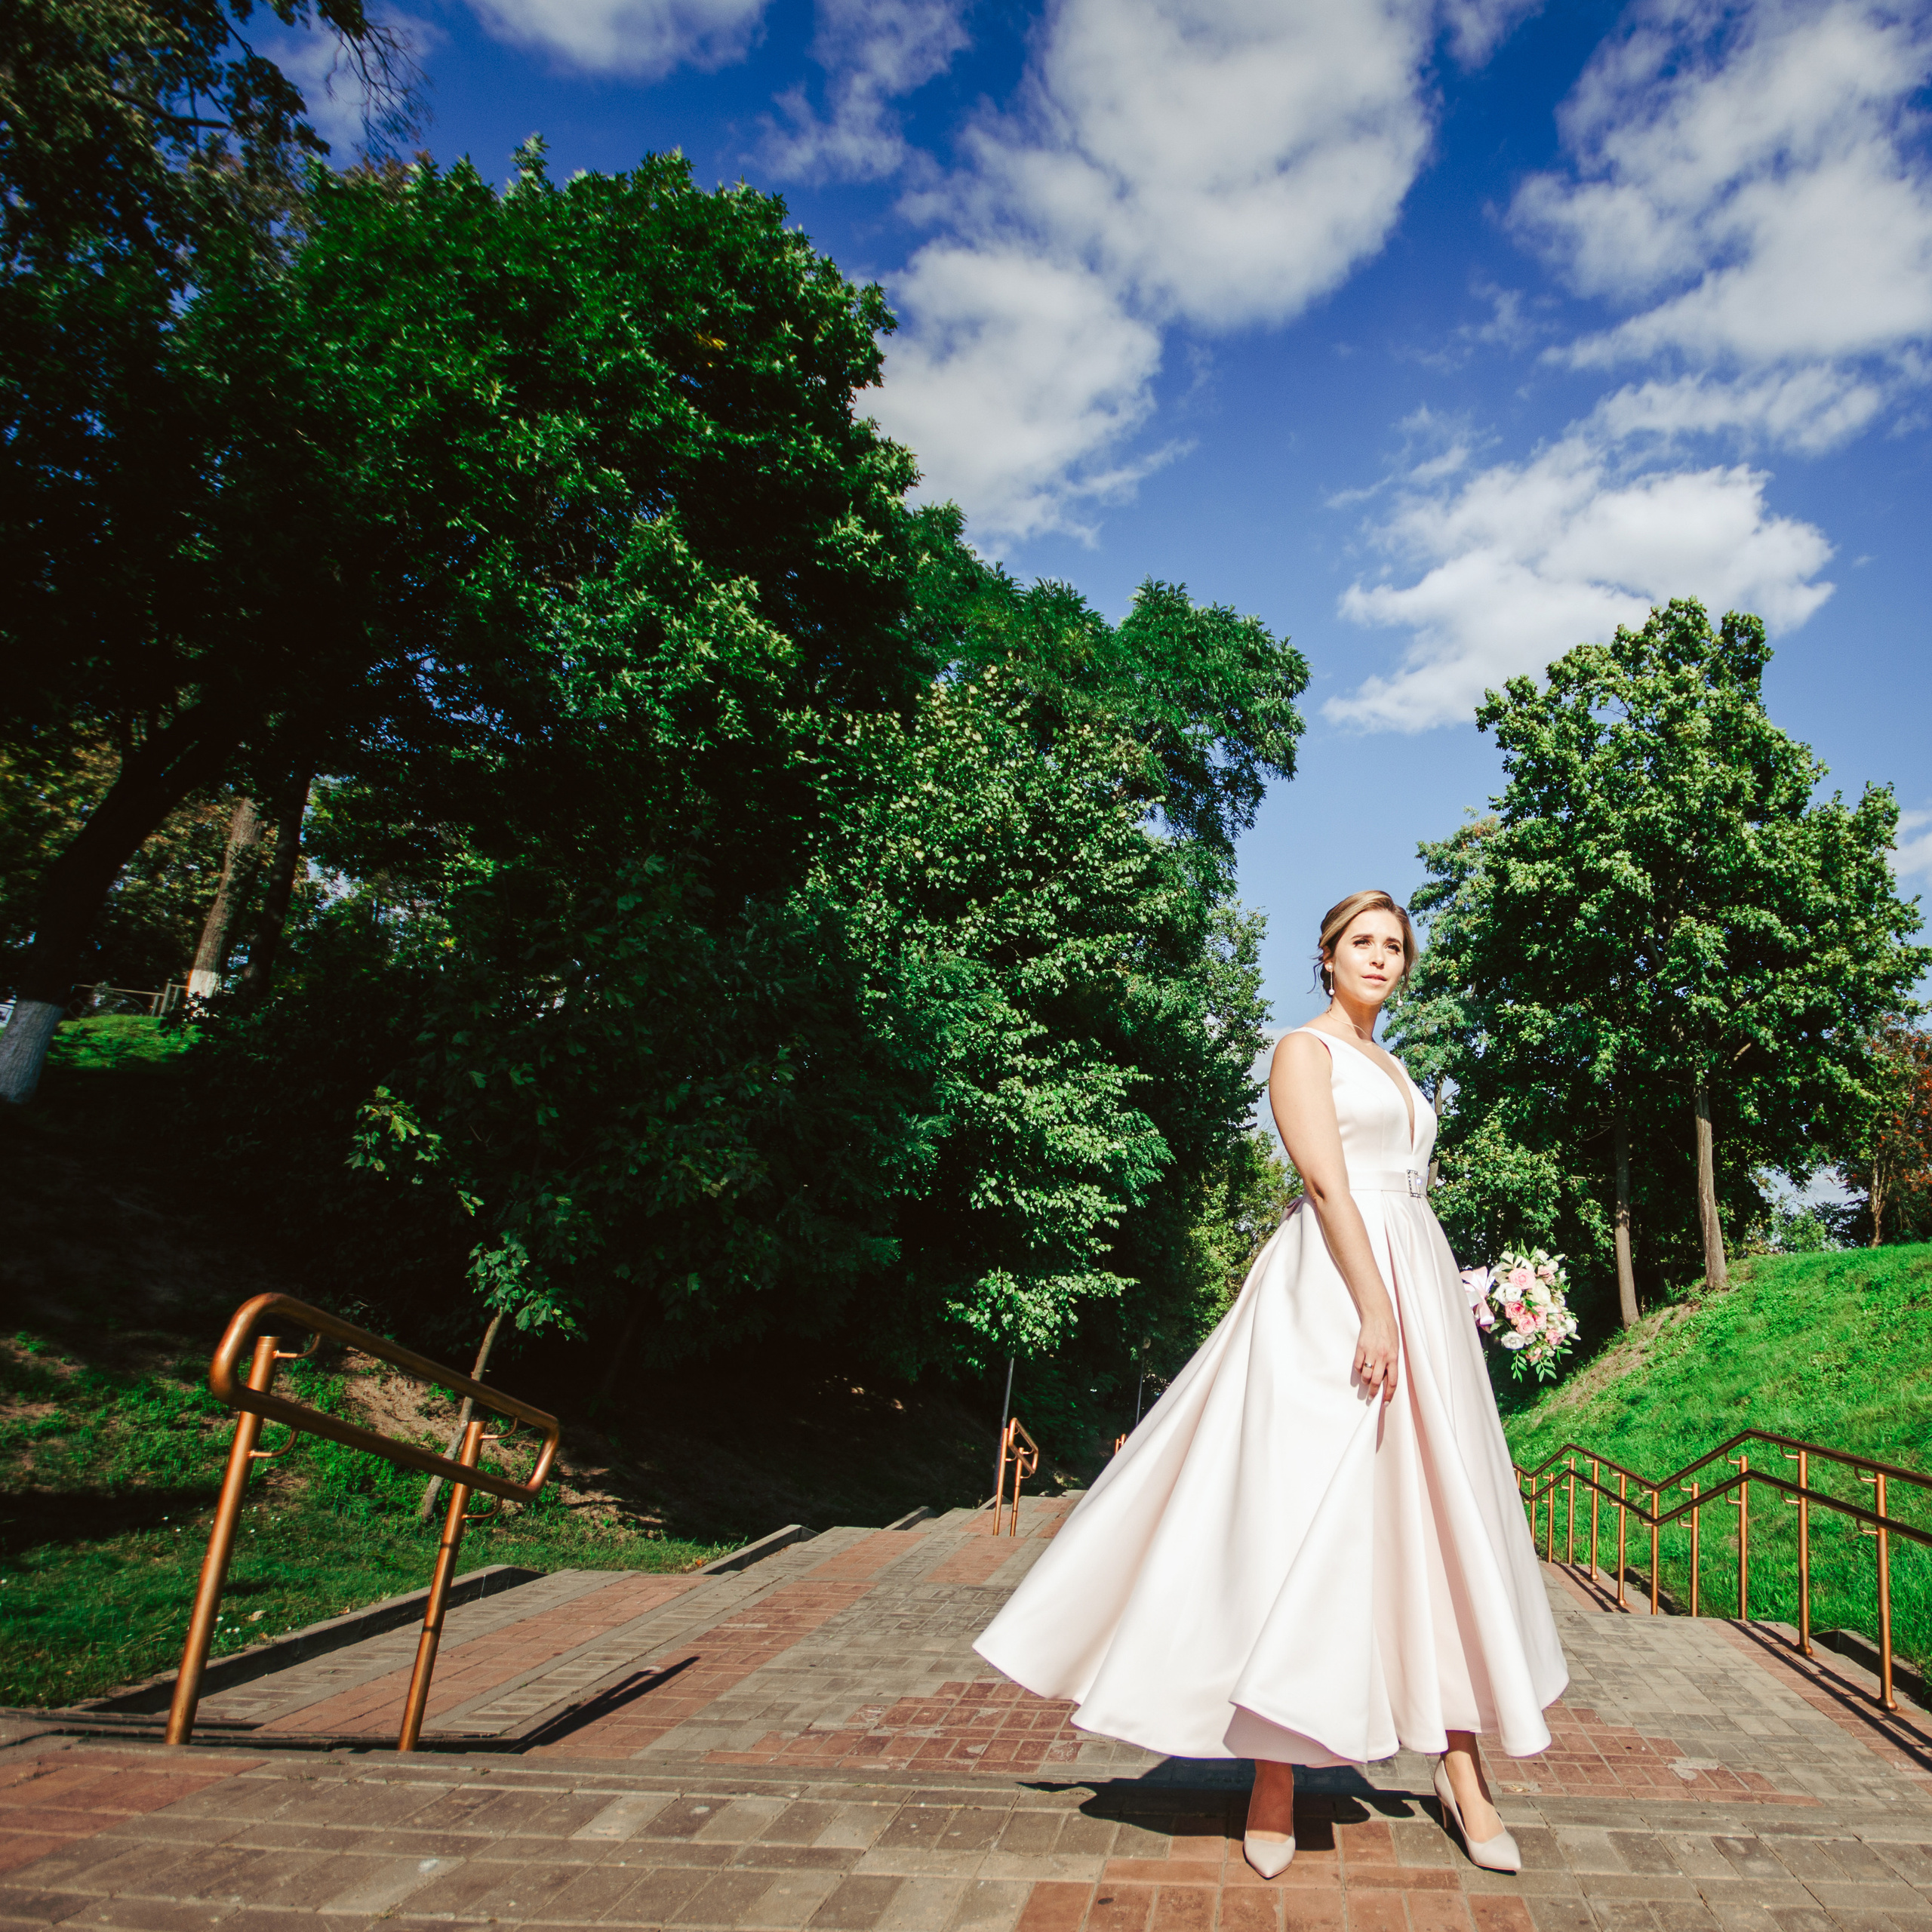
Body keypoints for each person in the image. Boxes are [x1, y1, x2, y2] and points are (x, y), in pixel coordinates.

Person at [972, 890, 1567, 1878]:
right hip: (1333, 1292)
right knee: (1304, 1517)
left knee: (1436, 1522)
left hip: (1412, 1275)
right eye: (1362, 943)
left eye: (1395, 947)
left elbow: (1401, 1188)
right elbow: (1329, 1185)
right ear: (1327, 956)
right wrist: (1375, 1308)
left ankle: (1464, 1775)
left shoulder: (1398, 1067)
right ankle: (1277, 1776)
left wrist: (1444, 1296)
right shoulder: (1304, 1051)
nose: (1381, 959)